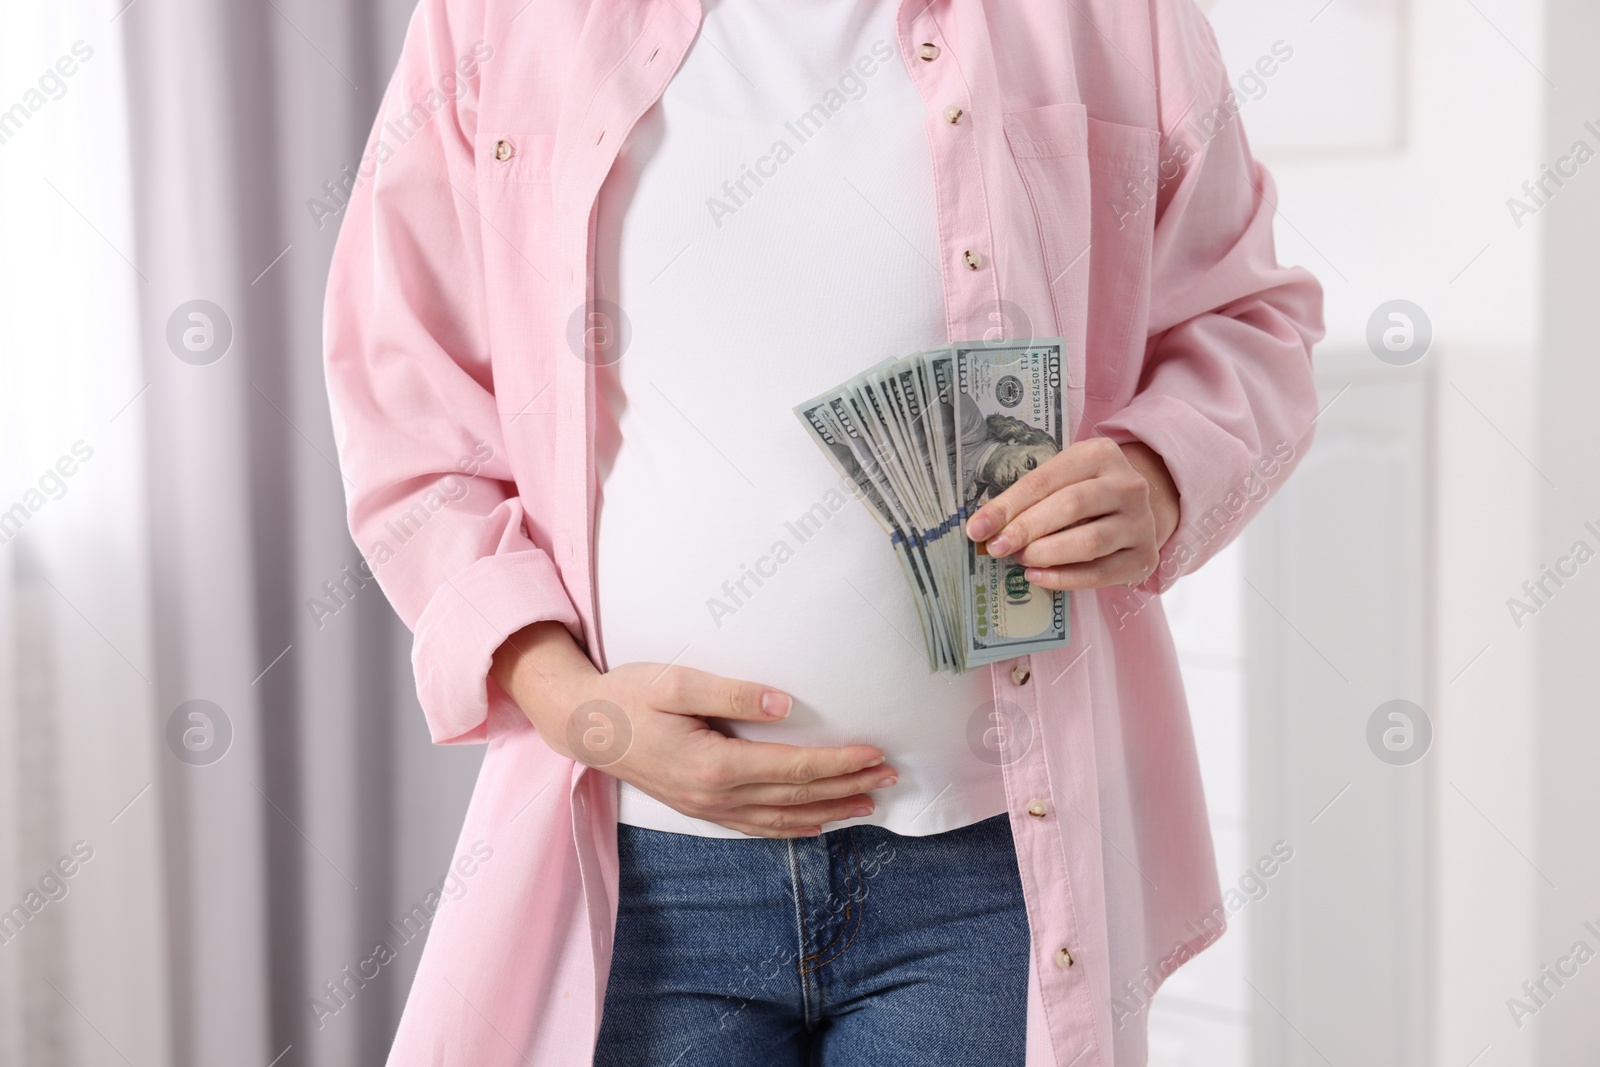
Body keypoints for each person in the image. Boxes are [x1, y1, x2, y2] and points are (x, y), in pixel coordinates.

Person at [321, 0, 1324, 1062]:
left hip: (987, 875)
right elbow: (408, 404)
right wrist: (573, 706)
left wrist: (1160, 475)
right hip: (642, 869)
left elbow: (1249, 317)